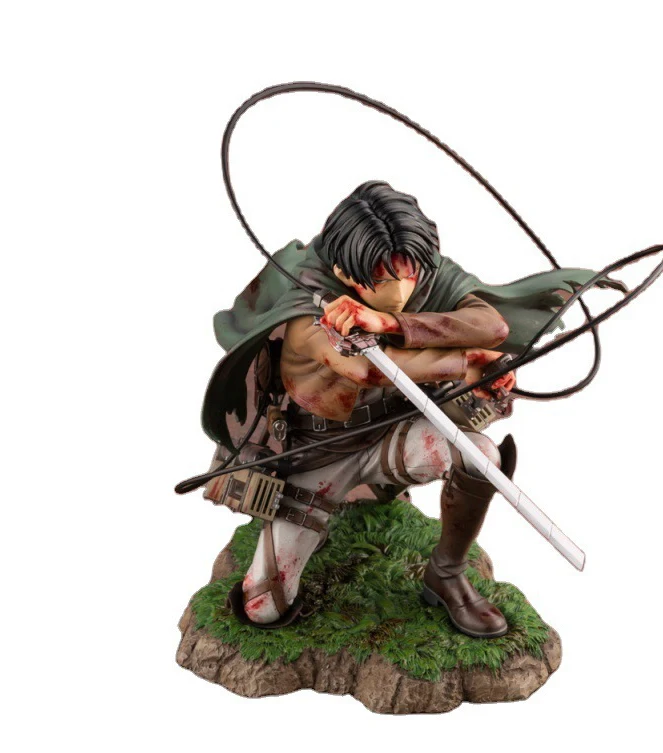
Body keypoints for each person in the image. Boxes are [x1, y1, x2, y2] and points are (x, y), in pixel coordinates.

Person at [201, 181, 620, 637]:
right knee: (263, 606)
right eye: (382, 280)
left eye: (410, 275)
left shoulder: (419, 266)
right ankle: (315, 527)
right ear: (344, 270)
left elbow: (491, 325)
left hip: (393, 435)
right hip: (317, 454)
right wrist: (467, 362)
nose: (401, 289)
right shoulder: (308, 304)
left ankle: (447, 572)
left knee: (481, 457)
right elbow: (368, 370)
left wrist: (389, 321)